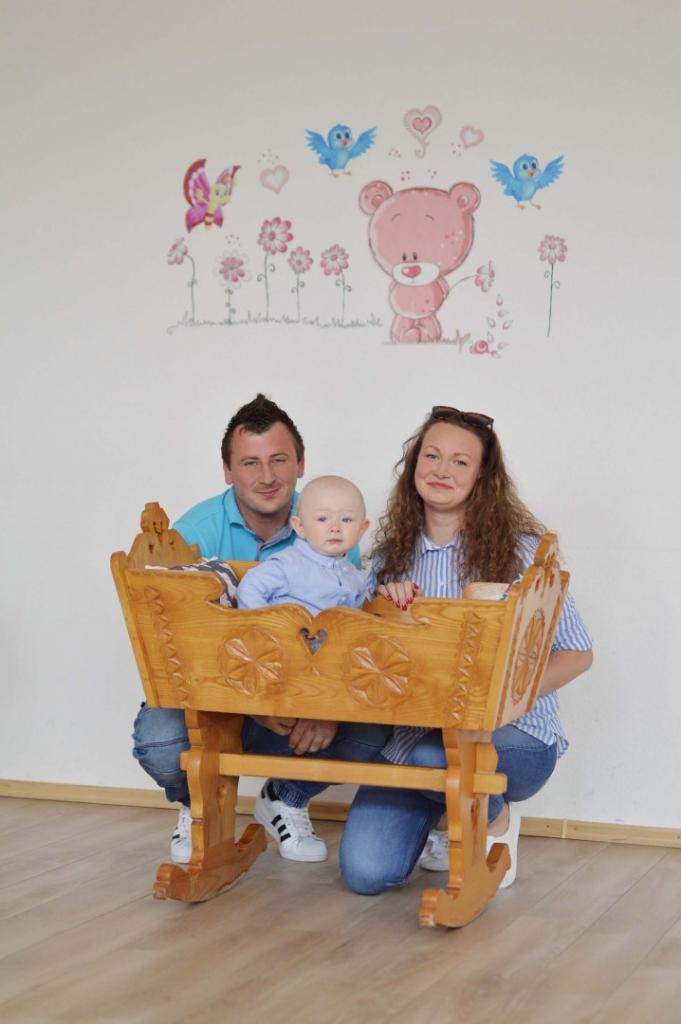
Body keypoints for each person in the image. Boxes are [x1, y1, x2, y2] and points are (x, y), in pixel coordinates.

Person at [338, 405, 593, 895]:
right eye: (431, 456)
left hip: (513, 737)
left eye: (460, 461)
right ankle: (446, 817)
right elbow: (359, 653)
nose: (442, 470)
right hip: (413, 743)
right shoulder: (387, 558)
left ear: (482, 477)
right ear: (414, 465)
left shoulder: (523, 553)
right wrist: (380, 612)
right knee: (365, 872)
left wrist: (497, 702)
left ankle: (493, 820)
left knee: (439, 752)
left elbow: (577, 653)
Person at [132, 395, 389, 865]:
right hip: (213, 688)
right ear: (227, 471)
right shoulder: (194, 532)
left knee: (376, 728)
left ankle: (286, 797)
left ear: (300, 464)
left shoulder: (331, 522)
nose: (267, 476)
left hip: (302, 690)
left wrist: (325, 706)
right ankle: (197, 803)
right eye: (250, 463)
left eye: (279, 460)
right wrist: (253, 701)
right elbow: (173, 639)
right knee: (160, 742)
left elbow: (342, 630)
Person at [237, 475, 370, 616]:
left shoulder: (357, 579)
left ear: (361, 529)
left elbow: (353, 622)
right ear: (300, 527)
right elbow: (249, 588)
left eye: (346, 519)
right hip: (286, 629)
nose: (335, 528)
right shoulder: (288, 564)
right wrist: (265, 624)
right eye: (322, 519)